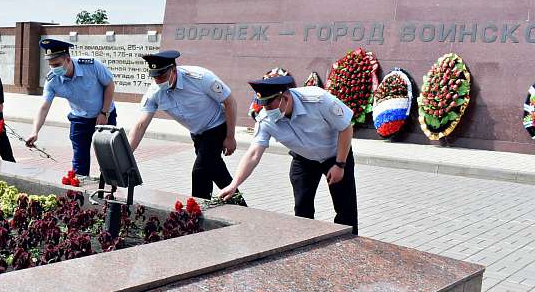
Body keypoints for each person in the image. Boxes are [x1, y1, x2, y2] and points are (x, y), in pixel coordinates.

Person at [218, 76, 358, 233]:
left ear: (285, 97)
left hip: (336, 154)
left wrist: (340, 164)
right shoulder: (266, 120)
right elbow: (253, 154)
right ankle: (305, 245)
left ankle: (351, 247)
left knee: (345, 208)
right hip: (303, 158)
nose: (267, 110)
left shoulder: (318, 100)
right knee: (302, 208)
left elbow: (346, 127)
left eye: (270, 105)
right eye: (263, 106)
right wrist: (234, 184)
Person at [127, 51, 238, 200]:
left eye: (162, 76)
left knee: (200, 171)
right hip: (197, 134)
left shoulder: (200, 78)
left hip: (217, 126)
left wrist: (230, 137)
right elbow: (140, 125)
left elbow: (230, 102)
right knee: (216, 171)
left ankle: (196, 214)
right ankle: (242, 208)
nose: (158, 81)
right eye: (155, 77)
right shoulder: (154, 92)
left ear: (173, 70)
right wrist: (125, 155)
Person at [25, 39, 116, 177]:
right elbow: (44, 107)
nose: (54, 69)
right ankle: (78, 195)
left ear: (68, 59)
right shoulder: (52, 80)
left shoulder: (91, 65)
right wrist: (35, 131)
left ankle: (108, 190)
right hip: (79, 119)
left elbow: (110, 85)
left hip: (105, 114)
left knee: (107, 157)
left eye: (57, 64)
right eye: (51, 65)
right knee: (79, 161)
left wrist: (104, 112)